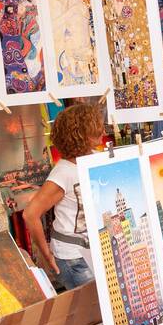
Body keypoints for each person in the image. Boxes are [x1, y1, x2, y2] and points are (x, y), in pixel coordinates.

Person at [21, 102, 106, 289]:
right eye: (95, 128)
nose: (102, 131)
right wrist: (47, 256)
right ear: (80, 135)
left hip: (91, 252)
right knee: (94, 310)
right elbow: (30, 214)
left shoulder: (93, 157)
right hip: (73, 257)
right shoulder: (63, 172)